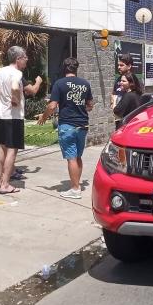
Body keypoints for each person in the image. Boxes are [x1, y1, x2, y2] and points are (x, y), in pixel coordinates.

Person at [37, 57, 93, 199]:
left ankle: (75, 189)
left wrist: (44, 117)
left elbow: (52, 105)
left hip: (68, 125)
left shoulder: (59, 83)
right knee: (77, 156)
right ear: (76, 69)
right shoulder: (85, 84)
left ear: (65, 68)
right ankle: (77, 184)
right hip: (83, 124)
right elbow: (90, 105)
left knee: (71, 158)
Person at [0, 46, 42, 194]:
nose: (26, 60)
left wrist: (2, 94)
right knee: (12, 150)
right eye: (25, 57)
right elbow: (31, 91)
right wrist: (38, 82)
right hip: (13, 117)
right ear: (18, 59)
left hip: (0, 114)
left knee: (2, 147)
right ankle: (5, 185)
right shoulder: (17, 73)